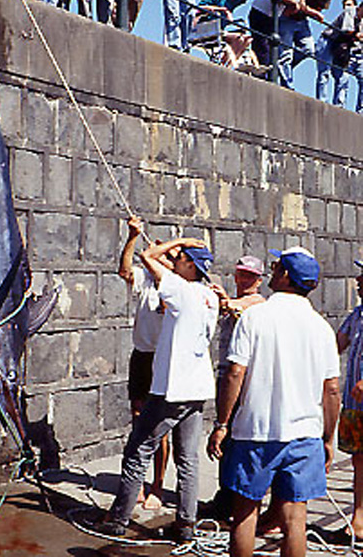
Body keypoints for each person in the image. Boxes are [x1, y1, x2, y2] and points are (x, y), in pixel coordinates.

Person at [207, 246, 341, 557]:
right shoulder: (321, 328)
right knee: (295, 520)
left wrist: (221, 423)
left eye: (276, 266)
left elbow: (234, 373)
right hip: (304, 435)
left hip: (255, 433)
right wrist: (327, 438)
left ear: (284, 276)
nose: (271, 270)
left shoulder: (255, 316)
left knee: (244, 514)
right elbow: (331, 389)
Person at [97, 238, 219, 546]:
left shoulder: (180, 289)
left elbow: (147, 255)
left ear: (190, 265)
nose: (175, 259)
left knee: (137, 450)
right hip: (197, 387)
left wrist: (180, 241)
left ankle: (119, 520)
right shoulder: (210, 295)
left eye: (181, 258)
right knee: (188, 458)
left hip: (172, 389)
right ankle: (186, 524)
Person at [202, 256, 265, 521]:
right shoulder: (236, 300)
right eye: (241, 274)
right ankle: (225, 496)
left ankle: (234, 499)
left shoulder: (259, 303)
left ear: (259, 280)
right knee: (227, 442)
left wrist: (224, 300)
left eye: (250, 275)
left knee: (233, 435)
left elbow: (238, 307)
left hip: (242, 379)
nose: (244, 279)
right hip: (226, 373)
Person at [118, 215, 170, 510]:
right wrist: (133, 236)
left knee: (159, 426)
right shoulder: (145, 279)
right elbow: (125, 270)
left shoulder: (177, 284)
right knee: (139, 420)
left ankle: (158, 485)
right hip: (141, 357)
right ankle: (136, 481)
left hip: (164, 360)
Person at [332, 261, 363, 545]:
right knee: (358, 461)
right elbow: (336, 345)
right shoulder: (357, 315)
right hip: (354, 406)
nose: (358, 279)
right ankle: (359, 518)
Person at [278, 0, 335, 89]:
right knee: (285, 53)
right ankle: (287, 84)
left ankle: (281, 68)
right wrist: (313, 12)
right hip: (288, 17)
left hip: (302, 20)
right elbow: (302, 4)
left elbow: (320, 8)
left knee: (309, 49)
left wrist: (312, 12)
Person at [249, 0, 303, 79]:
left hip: (273, 18)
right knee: (261, 46)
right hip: (259, 14)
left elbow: (296, 4)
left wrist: (291, 3)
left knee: (272, 48)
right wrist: (291, 2)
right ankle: (261, 76)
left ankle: (266, 75)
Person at [316, 0, 363, 110]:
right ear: (360, 7)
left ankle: (339, 106)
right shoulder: (350, 11)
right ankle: (322, 103)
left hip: (341, 46)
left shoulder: (361, 20)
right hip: (329, 40)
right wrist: (358, 35)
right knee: (324, 72)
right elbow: (347, 30)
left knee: (343, 77)